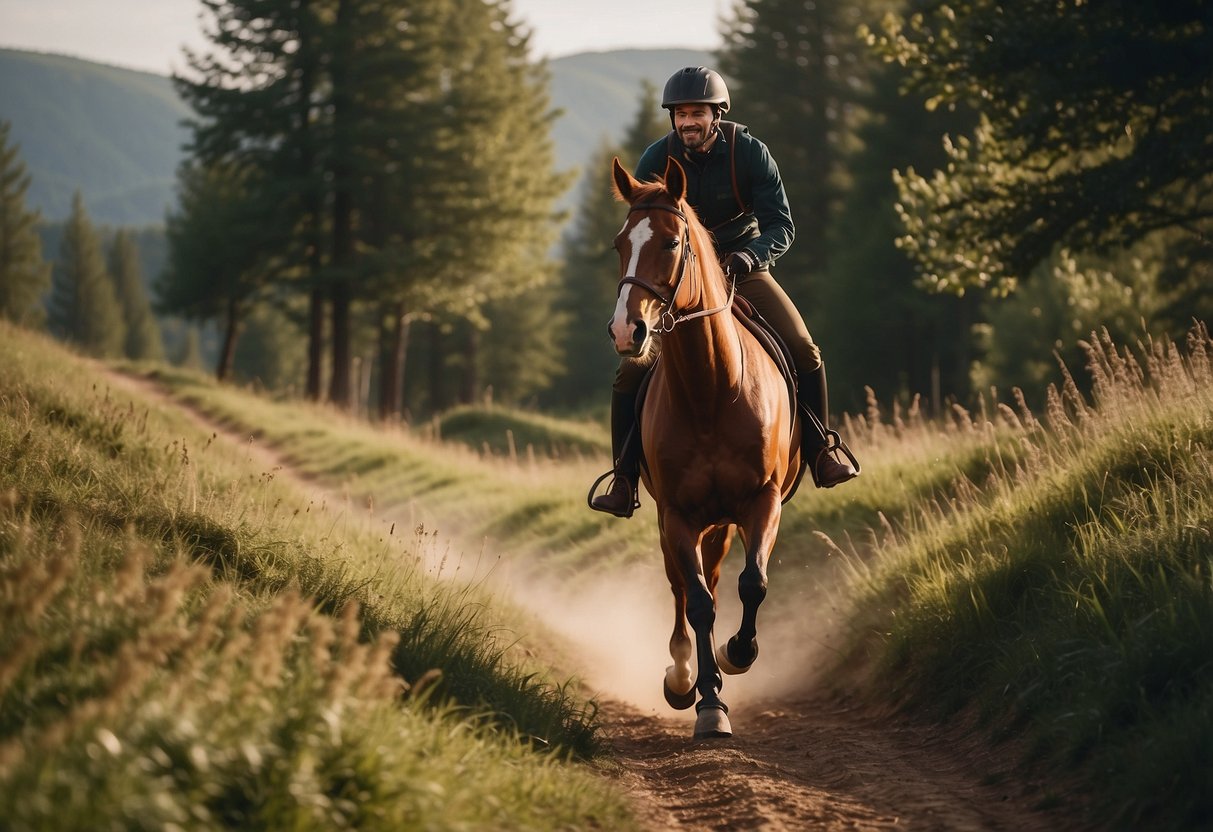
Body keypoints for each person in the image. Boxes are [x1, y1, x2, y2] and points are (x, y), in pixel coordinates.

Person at [590, 66, 859, 518]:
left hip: (742, 267)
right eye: (680, 114)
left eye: (697, 112)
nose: (687, 122)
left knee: (804, 349)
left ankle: (819, 451)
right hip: (678, 282)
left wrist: (749, 257)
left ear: (717, 115)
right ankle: (623, 478)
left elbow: (781, 225)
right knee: (629, 376)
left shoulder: (750, 153)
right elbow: (643, 226)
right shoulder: (656, 158)